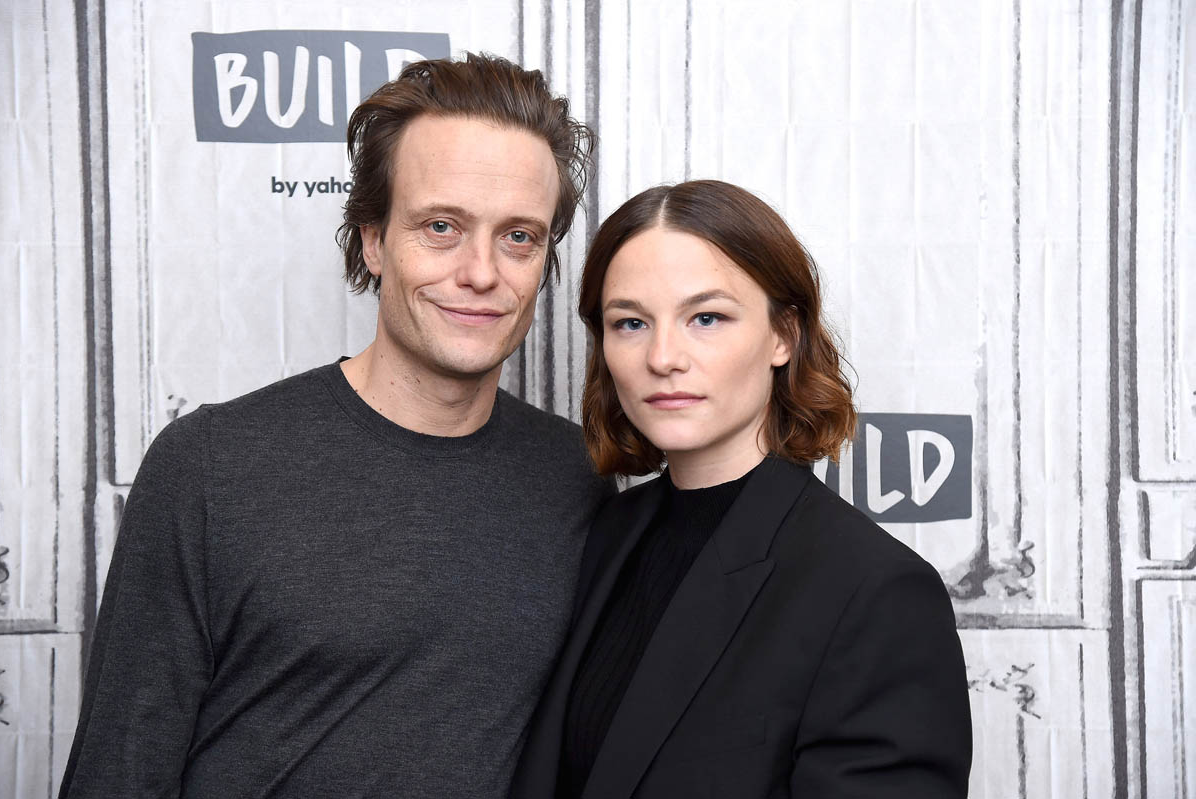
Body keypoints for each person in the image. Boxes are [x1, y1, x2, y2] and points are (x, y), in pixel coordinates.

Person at [60, 53, 611, 799]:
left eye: (519, 236)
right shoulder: (211, 467)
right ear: (373, 240)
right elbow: (118, 773)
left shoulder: (578, 476)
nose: (482, 272)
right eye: (441, 226)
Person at [512, 180, 972, 798]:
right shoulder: (603, 532)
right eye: (631, 323)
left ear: (784, 335)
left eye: (707, 318)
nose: (663, 357)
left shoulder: (876, 592)